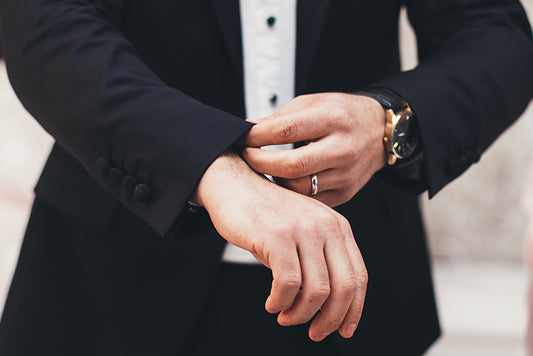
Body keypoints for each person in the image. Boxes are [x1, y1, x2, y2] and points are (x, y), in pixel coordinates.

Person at [0, 0, 532, 355]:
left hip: (354, 288)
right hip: (106, 283)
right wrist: (207, 165)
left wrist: (390, 122)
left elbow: (492, 32)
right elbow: (45, 23)